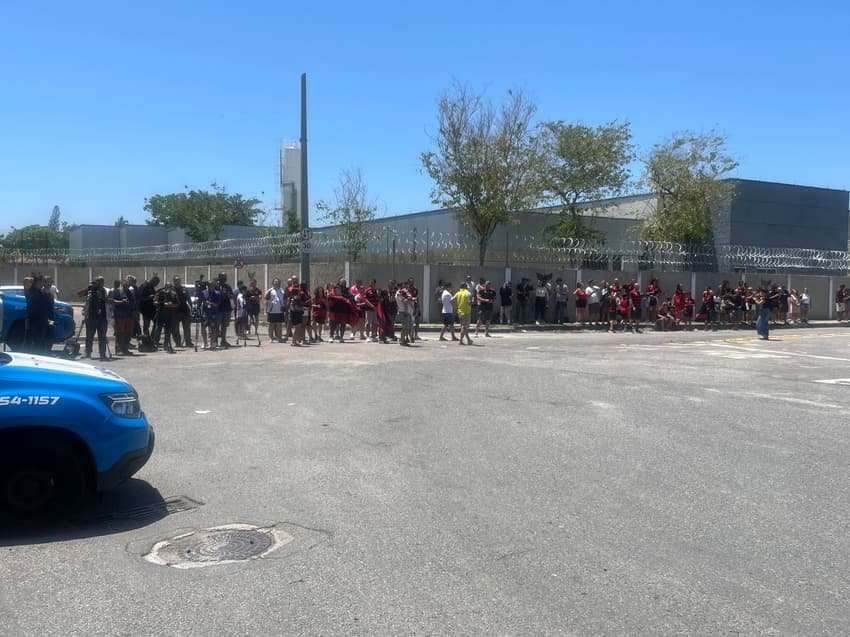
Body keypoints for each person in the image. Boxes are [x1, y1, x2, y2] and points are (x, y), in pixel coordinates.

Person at [82, 276, 109, 360]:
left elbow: (107, 300)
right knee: (89, 336)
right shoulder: (91, 289)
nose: (100, 283)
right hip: (91, 316)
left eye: (101, 281)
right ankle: (88, 352)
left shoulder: (103, 290)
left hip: (102, 317)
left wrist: (101, 296)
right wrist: (88, 288)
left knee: (102, 336)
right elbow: (79, 294)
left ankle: (102, 353)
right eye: (98, 281)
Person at [110, 277, 136, 356]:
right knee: (120, 333)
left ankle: (125, 349)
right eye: (126, 283)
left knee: (128, 333)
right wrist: (121, 302)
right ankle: (119, 350)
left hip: (129, 315)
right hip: (120, 315)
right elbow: (111, 301)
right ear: (123, 283)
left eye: (129, 283)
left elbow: (133, 302)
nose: (127, 284)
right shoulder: (117, 291)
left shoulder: (130, 292)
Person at [153, 281, 179, 353]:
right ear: (165, 287)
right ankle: (155, 344)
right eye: (168, 286)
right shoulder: (160, 293)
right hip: (161, 314)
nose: (169, 288)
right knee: (158, 329)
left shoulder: (174, 294)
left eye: (170, 286)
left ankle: (166, 344)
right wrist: (160, 303)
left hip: (170, 314)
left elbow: (177, 304)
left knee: (168, 331)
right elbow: (155, 301)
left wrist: (171, 305)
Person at [172, 275, 194, 348]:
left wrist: (191, 308)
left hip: (185, 310)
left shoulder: (184, 289)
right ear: (174, 281)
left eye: (179, 280)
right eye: (176, 280)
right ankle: (178, 342)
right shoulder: (172, 289)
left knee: (187, 327)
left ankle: (188, 342)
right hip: (175, 311)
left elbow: (189, 299)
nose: (178, 281)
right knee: (175, 328)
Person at [216, 272, 234, 348]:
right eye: (223, 277)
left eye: (225, 277)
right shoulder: (216, 286)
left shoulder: (227, 286)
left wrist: (229, 295)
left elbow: (232, 296)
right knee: (216, 325)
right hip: (218, 309)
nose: (224, 279)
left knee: (224, 326)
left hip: (226, 308)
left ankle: (223, 341)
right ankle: (215, 340)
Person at [265, 278, 285, 342]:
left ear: (279, 283)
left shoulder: (282, 290)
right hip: (272, 311)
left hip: (280, 310)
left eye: (278, 282)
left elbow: (284, 299)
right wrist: (266, 309)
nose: (276, 283)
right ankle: (271, 338)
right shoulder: (270, 290)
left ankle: (279, 338)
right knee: (271, 325)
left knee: (279, 325)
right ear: (273, 283)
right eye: (275, 282)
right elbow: (266, 300)